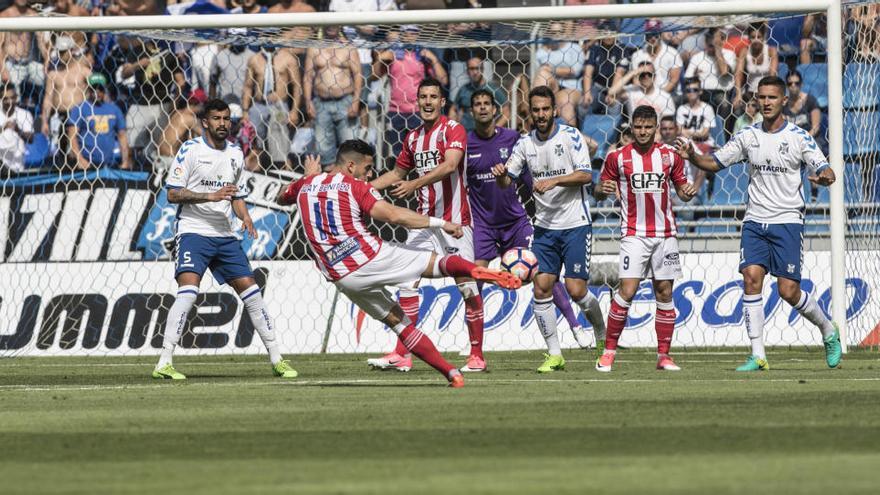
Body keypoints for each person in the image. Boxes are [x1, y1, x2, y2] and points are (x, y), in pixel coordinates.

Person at [277, 140, 521, 387]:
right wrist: (441, 224)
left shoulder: (304, 185)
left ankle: (452, 374)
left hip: (343, 277)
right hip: (370, 256)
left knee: (399, 323)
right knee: (437, 263)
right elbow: (394, 216)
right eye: (368, 168)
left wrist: (307, 177)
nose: (371, 175)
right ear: (351, 166)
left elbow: (280, 196)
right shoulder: (355, 187)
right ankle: (485, 272)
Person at [675, 76, 842, 372]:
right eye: (761, 98)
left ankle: (828, 329)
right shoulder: (748, 136)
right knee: (751, 278)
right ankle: (758, 355)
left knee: (788, 291)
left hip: (787, 221)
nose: (765, 103)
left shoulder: (798, 137)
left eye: (771, 98)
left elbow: (826, 169)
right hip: (754, 220)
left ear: (783, 101)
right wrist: (693, 156)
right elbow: (715, 162)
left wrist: (825, 177)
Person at [153, 98, 297, 380]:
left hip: (225, 234)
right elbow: (173, 193)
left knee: (253, 293)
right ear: (205, 122)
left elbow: (236, 194)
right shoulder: (190, 150)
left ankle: (278, 359)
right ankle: (164, 362)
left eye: (226, 118)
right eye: (217, 118)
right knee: (189, 292)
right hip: (193, 230)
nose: (223, 123)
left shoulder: (235, 153)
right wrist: (209, 196)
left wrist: (244, 216)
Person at [467, 89, 605, 353]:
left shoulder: (571, 136)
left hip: (575, 223)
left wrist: (554, 180)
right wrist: (500, 176)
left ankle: (600, 330)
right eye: (536, 110)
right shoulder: (524, 144)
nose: (541, 115)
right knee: (541, 288)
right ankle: (554, 354)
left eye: (545, 109)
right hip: (544, 227)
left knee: (576, 290)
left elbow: (586, 175)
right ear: (530, 113)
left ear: (554, 110)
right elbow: (509, 178)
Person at [365, 78, 485, 373]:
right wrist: (360, 189)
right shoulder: (413, 138)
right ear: (417, 102)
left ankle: (477, 356)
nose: (428, 102)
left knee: (467, 287)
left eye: (433, 97)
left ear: (442, 102)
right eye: (423, 97)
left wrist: (414, 184)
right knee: (406, 281)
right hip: (423, 223)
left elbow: (450, 165)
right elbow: (396, 173)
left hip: (454, 221)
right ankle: (401, 354)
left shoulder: (453, 129)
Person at [594, 105, 696, 372]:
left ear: (656, 127)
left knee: (664, 292)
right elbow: (600, 189)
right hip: (633, 234)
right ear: (631, 126)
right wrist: (602, 190)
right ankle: (608, 352)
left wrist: (687, 192)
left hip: (665, 235)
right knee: (627, 290)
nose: (642, 131)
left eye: (648, 127)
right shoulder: (617, 157)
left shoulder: (670, 156)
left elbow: (682, 191)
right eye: (638, 127)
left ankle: (664, 356)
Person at [374, 25, 447, 158]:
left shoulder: (422, 57)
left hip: (417, 111)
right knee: (399, 153)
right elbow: (375, 75)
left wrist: (434, 59)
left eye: (414, 32)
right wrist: (380, 58)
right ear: (402, 34)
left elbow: (443, 80)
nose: (411, 35)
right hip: (396, 110)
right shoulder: (394, 55)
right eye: (407, 32)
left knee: (420, 150)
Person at [303, 26, 362, 168]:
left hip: (345, 101)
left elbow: (358, 75)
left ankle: (351, 185)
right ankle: (329, 184)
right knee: (322, 148)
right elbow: (307, 77)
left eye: (335, 24)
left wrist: (356, 101)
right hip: (321, 103)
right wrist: (308, 102)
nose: (331, 27)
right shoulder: (315, 48)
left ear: (340, 26)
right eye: (329, 24)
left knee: (350, 147)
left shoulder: (349, 48)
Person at [242, 45, 301, 166]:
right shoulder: (254, 59)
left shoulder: (288, 58)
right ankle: (255, 172)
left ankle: (282, 172)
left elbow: (297, 86)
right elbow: (248, 86)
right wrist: (245, 111)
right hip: (258, 106)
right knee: (255, 143)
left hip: (279, 107)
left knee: (281, 143)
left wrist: (294, 110)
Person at [41, 36, 91, 162]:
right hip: (59, 116)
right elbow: (48, 99)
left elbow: (95, 94)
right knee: (60, 154)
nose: (61, 55)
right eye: (59, 52)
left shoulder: (84, 71)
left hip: (79, 117)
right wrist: (44, 121)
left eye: (64, 52)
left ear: (72, 50)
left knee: (78, 152)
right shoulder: (53, 75)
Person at [66, 73, 130, 170]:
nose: (97, 91)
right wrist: (80, 159)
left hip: (109, 165)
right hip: (86, 165)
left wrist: (125, 161)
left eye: (100, 88)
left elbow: (122, 136)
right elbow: (72, 137)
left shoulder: (114, 109)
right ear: (88, 89)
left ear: (105, 89)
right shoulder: (79, 109)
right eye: (93, 88)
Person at [532, 22, 584, 126]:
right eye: (553, 32)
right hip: (550, 86)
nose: (556, 35)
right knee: (542, 73)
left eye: (560, 31)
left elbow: (575, 70)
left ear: (565, 32)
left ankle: (571, 136)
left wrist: (553, 70)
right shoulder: (540, 53)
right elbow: (536, 75)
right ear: (548, 33)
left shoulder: (574, 48)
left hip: (570, 87)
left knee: (565, 101)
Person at [684, 28, 736, 132]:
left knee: (724, 104)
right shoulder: (698, 57)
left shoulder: (729, 54)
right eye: (708, 39)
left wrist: (717, 49)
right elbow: (687, 79)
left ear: (721, 40)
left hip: (721, 92)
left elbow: (724, 72)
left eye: (713, 39)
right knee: (685, 99)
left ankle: (722, 136)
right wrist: (695, 76)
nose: (710, 42)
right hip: (700, 92)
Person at [449, 54, 508, 132]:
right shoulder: (464, 89)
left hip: (485, 133)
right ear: (467, 71)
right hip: (465, 133)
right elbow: (453, 109)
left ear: (483, 69)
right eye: (472, 69)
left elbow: (507, 111)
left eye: (478, 68)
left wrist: (495, 129)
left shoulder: (492, 89)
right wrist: (452, 127)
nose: (475, 72)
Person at [626, 19, 683, 98]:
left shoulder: (672, 53)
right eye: (649, 35)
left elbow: (674, 80)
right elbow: (636, 81)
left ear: (661, 34)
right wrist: (647, 96)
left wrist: (658, 96)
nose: (652, 38)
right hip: (644, 94)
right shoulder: (637, 55)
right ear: (645, 35)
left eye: (656, 35)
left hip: (668, 94)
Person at [607, 61, 675, 120]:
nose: (646, 77)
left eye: (649, 74)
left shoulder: (665, 97)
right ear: (638, 77)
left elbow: (667, 123)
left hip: (656, 132)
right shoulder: (632, 91)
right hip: (635, 130)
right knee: (611, 100)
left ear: (654, 77)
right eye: (642, 74)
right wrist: (632, 73)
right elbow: (611, 92)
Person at [734, 23, 778, 112]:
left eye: (759, 37)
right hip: (750, 93)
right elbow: (738, 74)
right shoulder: (745, 51)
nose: (756, 40)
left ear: (764, 37)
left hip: (767, 92)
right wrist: (738, 94)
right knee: (737, 109)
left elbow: (772, 76)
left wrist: (765, 95)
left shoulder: (771, 51)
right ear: (748, 38)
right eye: (753, 37)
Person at [581, 31, 626, 115]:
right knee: (584, 104)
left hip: (615, 87)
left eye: (611, 34)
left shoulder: (622, 49)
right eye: (605, 34)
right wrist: (587, 94)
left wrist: (612, 94)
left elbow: (619, 73)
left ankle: (613, 127)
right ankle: (581, 127)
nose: (608, 37)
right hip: (597, 87)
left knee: (614, 104)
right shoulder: (594, 49)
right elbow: (588, 73)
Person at [158, 89, 207, 165]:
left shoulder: (177, 112)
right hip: (171, 158)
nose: (204, 109)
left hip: (160, 155)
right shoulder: (190, 119)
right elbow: (207, 138)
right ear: (199, 104)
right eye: (204, 105)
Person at [783, 70, 825, 153]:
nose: (793, 85)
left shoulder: (810, 100)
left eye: (797, 83)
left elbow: (815, 127)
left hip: (811, 139)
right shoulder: (784, 104)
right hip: (790, 141)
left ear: (801, 84)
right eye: (790, 83)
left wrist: (802, 141)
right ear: (786, 86)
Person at [0, 82, 33, 173]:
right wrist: (4, 127)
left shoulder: (24, 114)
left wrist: (18, 130)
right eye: (5, 99)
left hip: (16, 166)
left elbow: (30, 139)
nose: (9, 102)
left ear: (16, 98)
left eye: (12, 98)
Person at [676, 77, 717, 150]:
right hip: (686, 144)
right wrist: (697, 134)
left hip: (705, 143)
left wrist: (688, 133)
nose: (691, 93)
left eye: (695, 90)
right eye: (688, 90)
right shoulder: (681, 109)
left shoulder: (707, 108)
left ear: (700, 91)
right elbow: (679, 131)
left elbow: (704, 134)